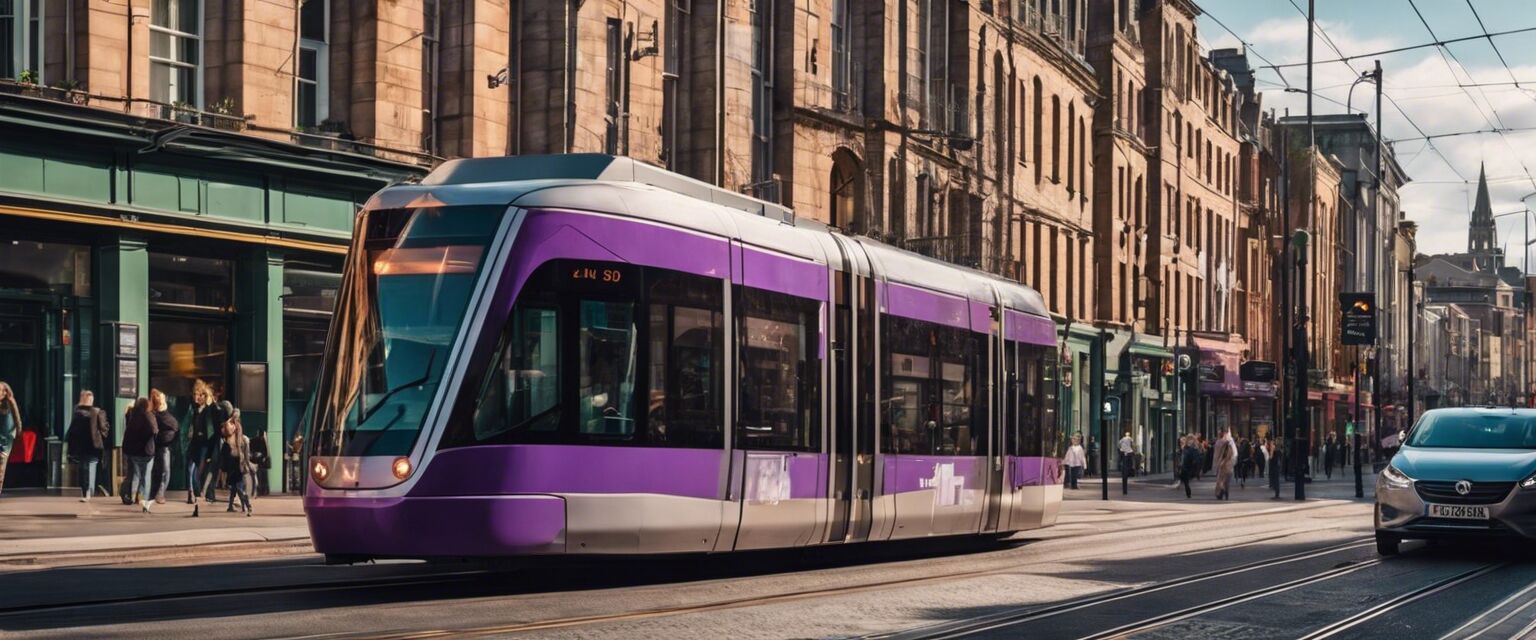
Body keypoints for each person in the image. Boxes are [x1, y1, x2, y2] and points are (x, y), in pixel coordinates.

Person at [210, 406, 255, 516]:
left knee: (238, 488)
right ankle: (233, 506)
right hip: (233, 464)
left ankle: (248, 505)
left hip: (236, 465)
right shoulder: (231, 434)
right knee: (234, 488)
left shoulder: (236, 431)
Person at [65, 391, 110, 502]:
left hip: (80, 445)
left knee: (83, 467)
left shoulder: (77, 413)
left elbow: (72, 431)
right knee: (91, 466)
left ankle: (86, 492)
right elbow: (104, 428)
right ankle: (90, 491)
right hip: (93, 445)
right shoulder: (97, 412)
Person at [122, 397, 158, 512]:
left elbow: (128, 434)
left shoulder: (132, 416)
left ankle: (132, 497)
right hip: (147, 451)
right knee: (146, 477)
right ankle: (143, 500)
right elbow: (154, 430)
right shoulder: (149, 416)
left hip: (134, 452)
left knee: (136, 475)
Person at [184, 380, 218, 504]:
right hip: (194, 443)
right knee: (191, 468)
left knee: (198, 469)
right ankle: (192, 492)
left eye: (198, 395)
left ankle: (198, 493)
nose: (196, 397)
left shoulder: (209, 410)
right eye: (194, 395)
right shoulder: (194, 409)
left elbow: (211, 430)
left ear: (205, 396)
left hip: (204, 444)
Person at [148, 389, 180, 504]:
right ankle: (158, 494)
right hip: (160, 446)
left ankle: (156, 494)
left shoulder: (157, 413)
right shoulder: (157, 414)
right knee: (164, 471)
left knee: (160, 471)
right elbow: (174, 425)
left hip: (158, 446)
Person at [0, 381, 20, 497]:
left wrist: (18, 431)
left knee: (1, 464)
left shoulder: (10, 402)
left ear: (5, 392)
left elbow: (16, 418)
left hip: (6, 439)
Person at [1213, 428, 1237, 500]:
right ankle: (1226, 494)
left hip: (1223, 464)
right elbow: (1233, 453)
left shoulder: (1220, 442)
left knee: (1220, 480)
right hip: (1229, 464)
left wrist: (1218, 463)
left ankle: (1220, 493)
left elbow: (1218, 455)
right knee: (1227, 481)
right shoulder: (1229, 442)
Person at [250, 430, 271, 497]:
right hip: (261, 462)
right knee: (262, 476)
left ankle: (260, 491)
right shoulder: (263, 441)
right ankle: (262, 491)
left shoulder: (255, 441)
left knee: (260, 476)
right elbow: (266, 453)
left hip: (259, 462)